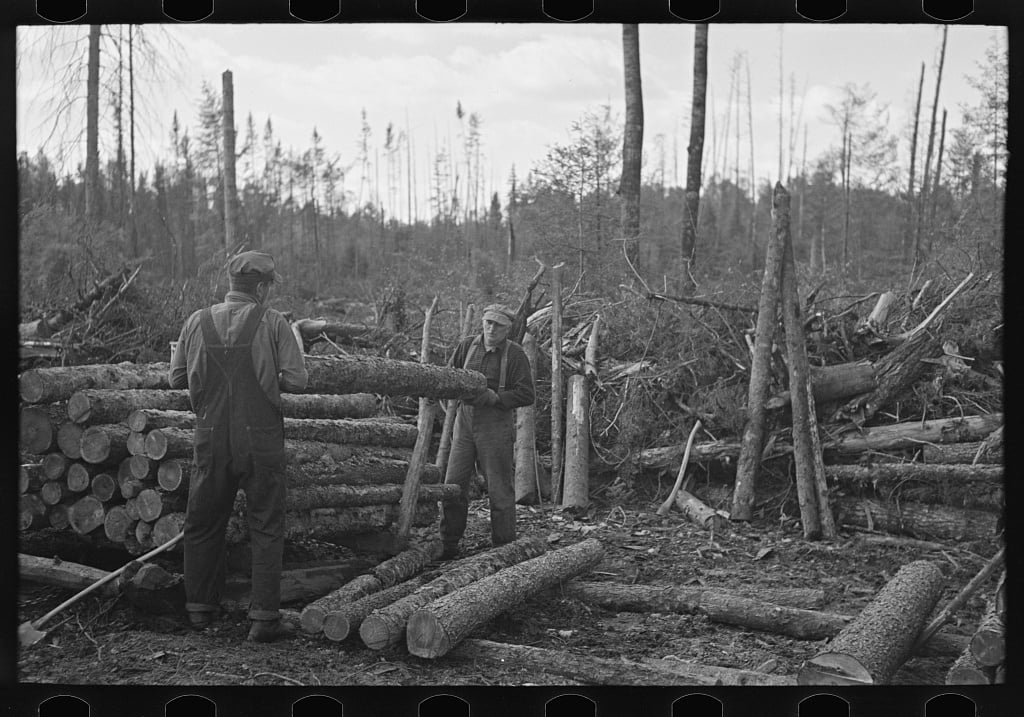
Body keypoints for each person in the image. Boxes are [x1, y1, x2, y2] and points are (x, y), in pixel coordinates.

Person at [168, 250, 308, 642]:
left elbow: (176, 378)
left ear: (230, 286)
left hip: (210, 436)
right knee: (265, 524)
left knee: (203, 523)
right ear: (261, 288)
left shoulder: (196, 321)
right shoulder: (274, 322)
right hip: (260, 439)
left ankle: (199, 609)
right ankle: (263, 618)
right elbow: (297, 381)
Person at [439, 303, 535, 559]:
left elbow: (527, 394)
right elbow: (448, 376)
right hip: (465, 422)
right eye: (488, 323)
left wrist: (495, 398)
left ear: (508, 329)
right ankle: (449, 544)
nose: (491, 329)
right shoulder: (467, 346)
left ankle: (503, 548)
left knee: (499, 489)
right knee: (453, 484)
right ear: (482, 322)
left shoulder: (515, 355)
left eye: (498, 326)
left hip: (496, 424)